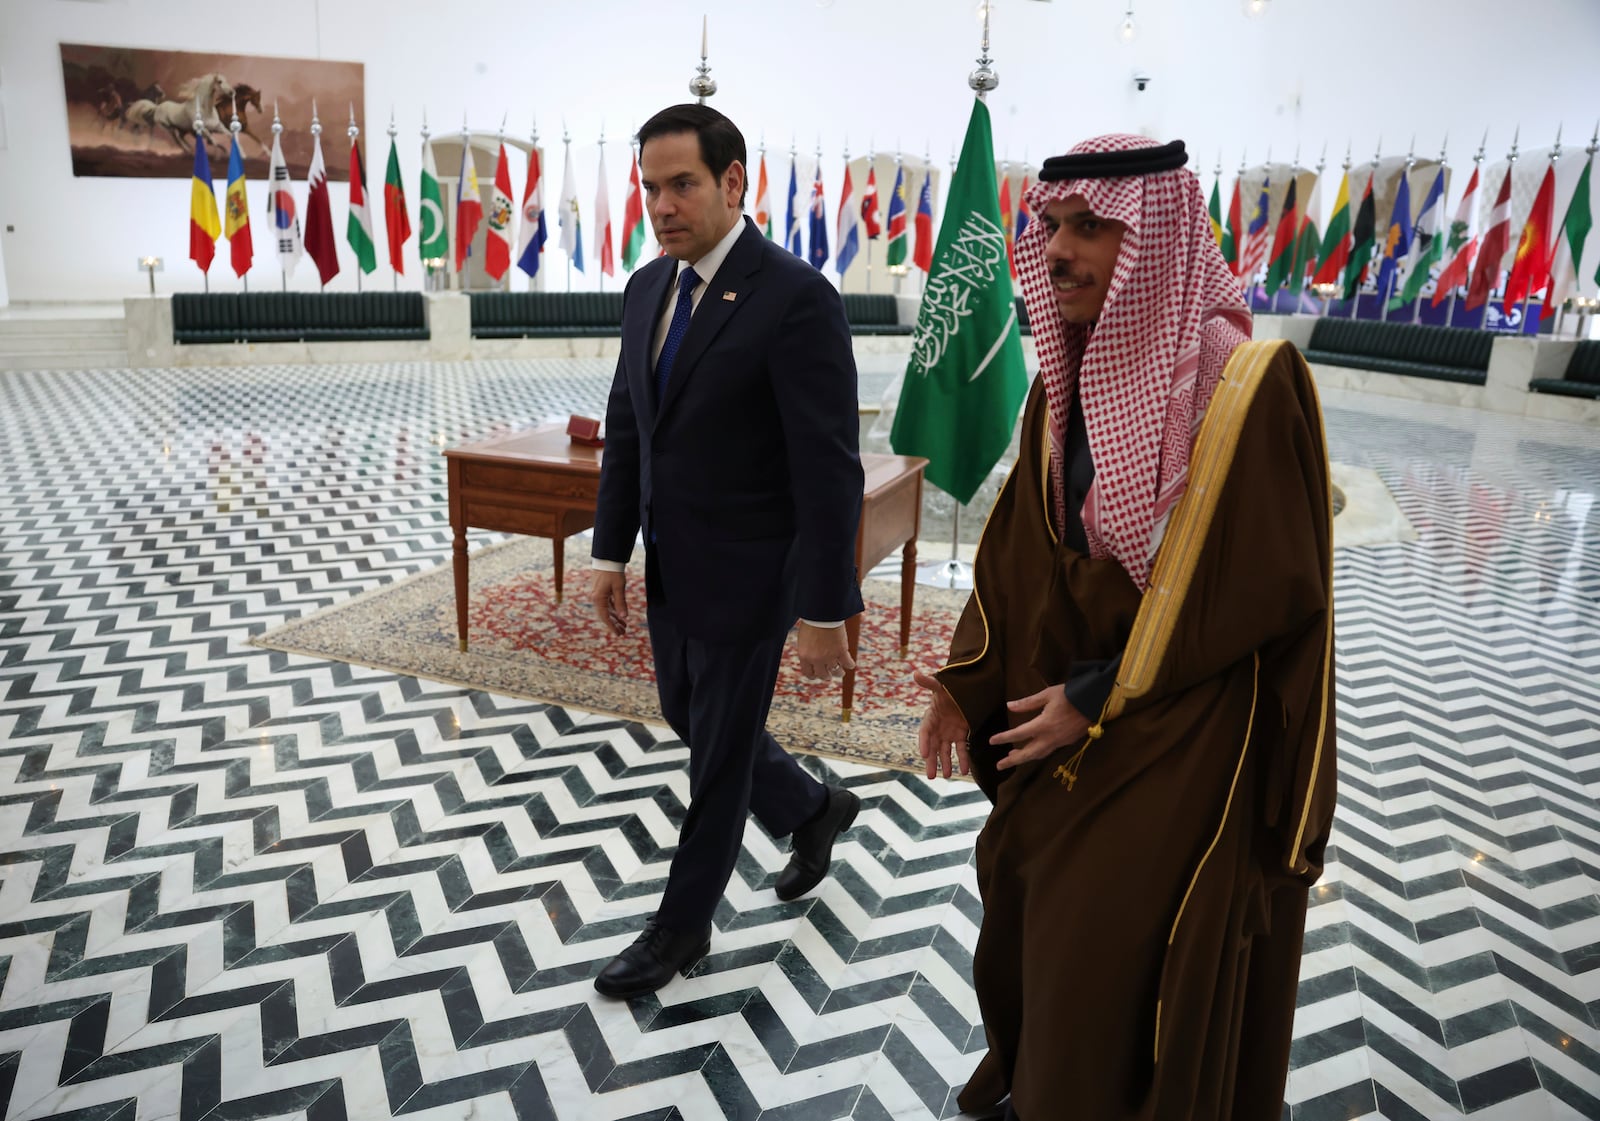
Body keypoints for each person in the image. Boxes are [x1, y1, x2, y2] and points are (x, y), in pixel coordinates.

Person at [912, 134, 1337, 1120]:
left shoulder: (1243, 387)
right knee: (1036, 910)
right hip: (1077, 717)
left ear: (1155, 237)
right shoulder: (1059, 384)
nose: (1057, 248)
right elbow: (1020, 552)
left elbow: (1264, 589)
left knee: (1115, 946)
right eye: (1051, 224)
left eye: (1090, 226)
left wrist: (1100, 693)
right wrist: (963, 678)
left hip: (1185, 733)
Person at [588, 103, 866, 1000]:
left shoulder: (794, 298)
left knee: (715, 759)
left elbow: (828, 469)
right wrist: (608, 550)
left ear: (735, 181)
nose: (663, 206)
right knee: (689, 711)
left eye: (683, 185)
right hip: (674, 563)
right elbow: (629, 425)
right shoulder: (645, 290)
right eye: (650, 188)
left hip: (754, 574)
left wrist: (826, 607)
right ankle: (813, 808)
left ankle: (679, 930)